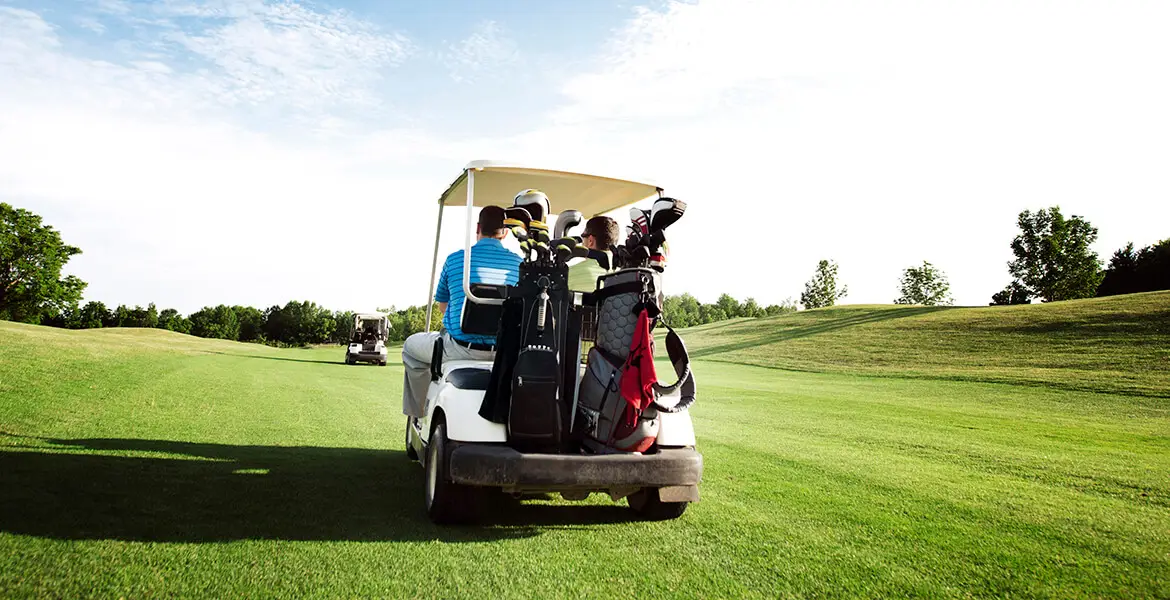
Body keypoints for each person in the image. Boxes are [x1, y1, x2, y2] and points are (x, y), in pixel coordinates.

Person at [401, 204, 523, 419]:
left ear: (478, 227)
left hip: (460, 349)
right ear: (504, 232)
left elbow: (443, 306)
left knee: (411, 347)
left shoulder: (456, 259)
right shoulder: (519, 264)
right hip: (505, 352)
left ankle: (418, 416)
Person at [567, 215, 619, 292]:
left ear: (590, 241)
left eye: (583, 238)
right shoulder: (622, 274)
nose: (582, 243)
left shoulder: (568, 273)